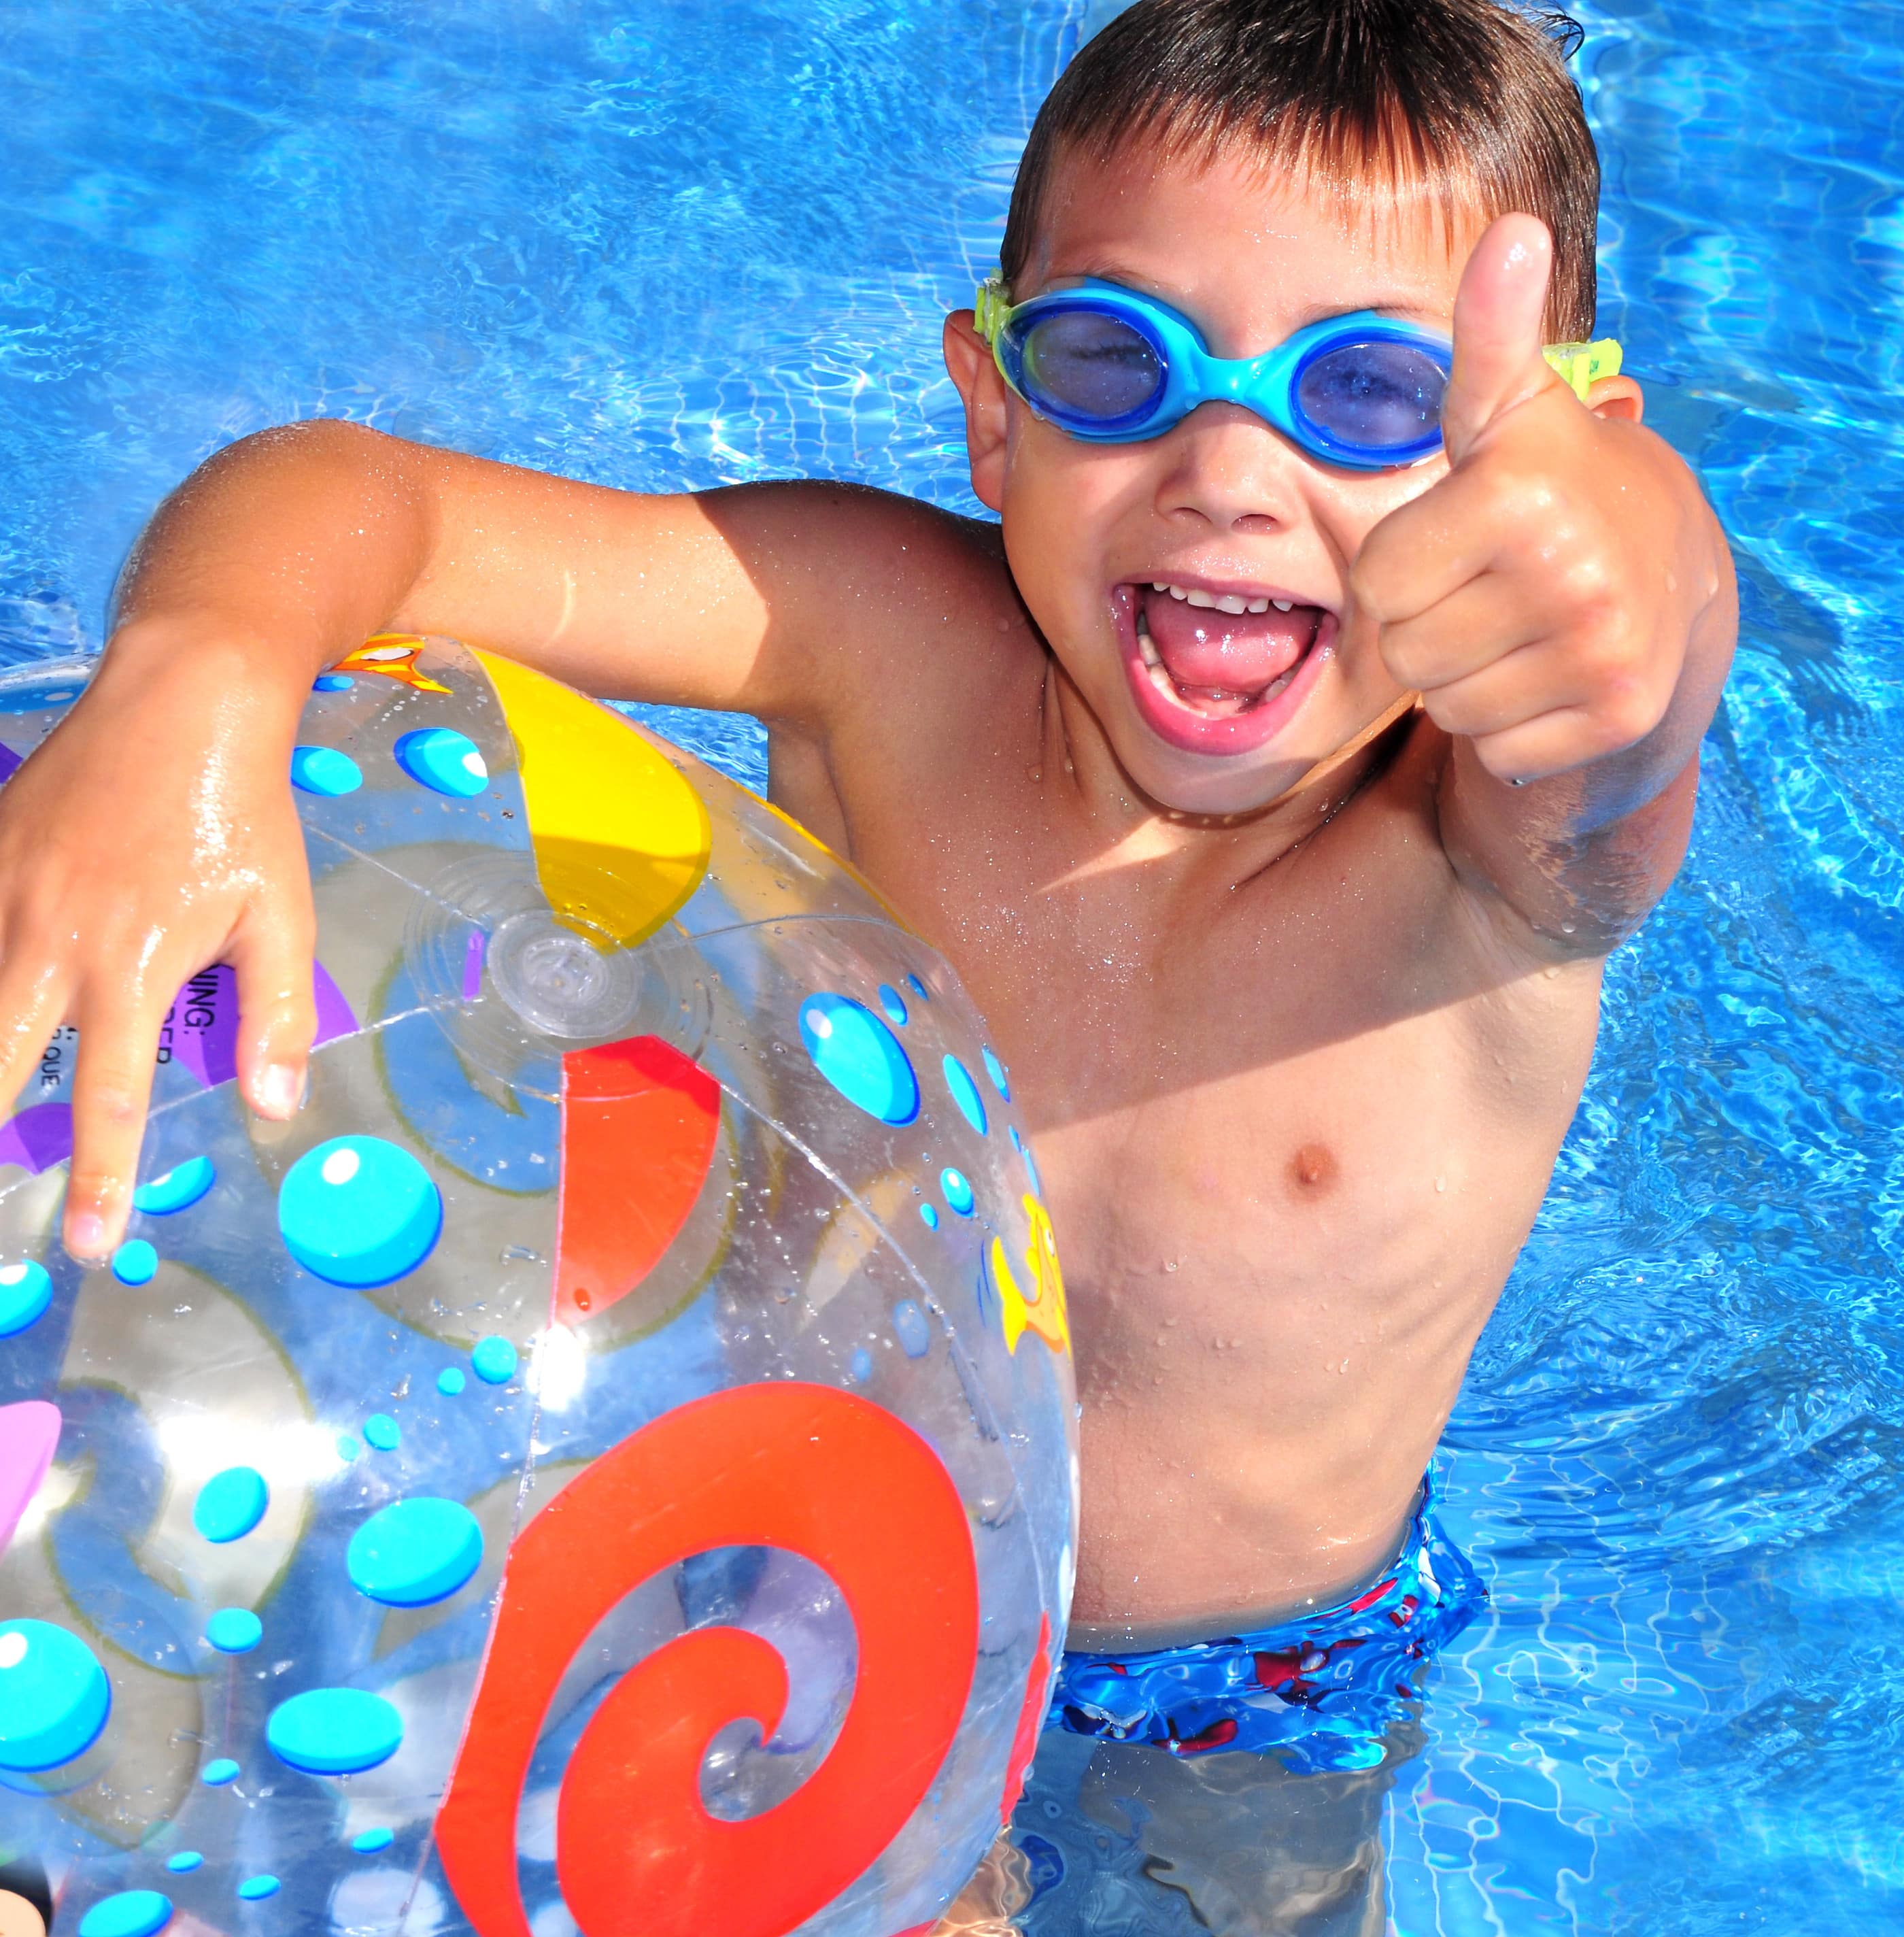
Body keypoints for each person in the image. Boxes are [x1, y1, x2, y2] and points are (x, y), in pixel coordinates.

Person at [0, 0, 1733, 1922]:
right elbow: (367, 501)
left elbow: (1633, 715)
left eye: (1379, 397)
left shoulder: (1486, 864)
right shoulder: (871, 647)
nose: (1228, 469)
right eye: (1112, 361)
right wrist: (202, 671)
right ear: (991, 408)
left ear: (1540, 475)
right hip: (784, 1576)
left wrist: (1632, 569)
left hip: (1230, 1712)